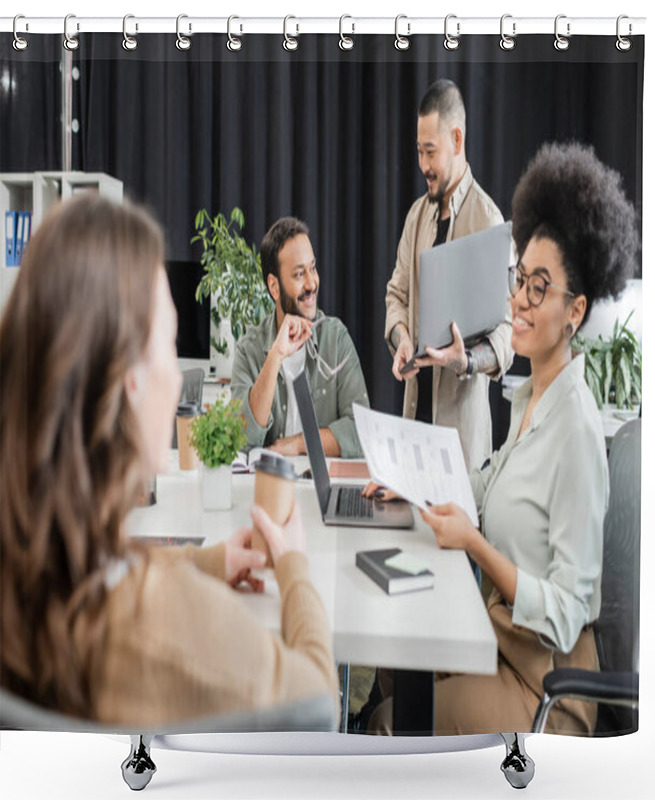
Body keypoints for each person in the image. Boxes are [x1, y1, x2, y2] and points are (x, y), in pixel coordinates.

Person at [0, 196, 339, 725]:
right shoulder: (175, 627)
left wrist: (202, 562)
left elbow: (95, 564)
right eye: (169, 339)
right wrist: (294, 567)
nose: (177, 373)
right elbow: (318, 704)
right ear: (131, 380)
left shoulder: (29, 565)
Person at [368, 142, 639, 735]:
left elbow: (567, 614)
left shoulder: (576, 430)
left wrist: (475, 546)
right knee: (393, 661)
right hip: (495, 645)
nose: (517, 300)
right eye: (519, 280)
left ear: (576, 311)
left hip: (544, 687)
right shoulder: (528, 398)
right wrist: (406, 485)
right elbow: (480, 486)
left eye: (539, 288)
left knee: (392, 721)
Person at [384, 78, 514, 472]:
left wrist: (467, 361)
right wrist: (401, 336)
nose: (423, 165)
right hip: (413, 431)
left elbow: (508, 332)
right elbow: (396, 296)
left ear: (457, 141)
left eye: (431, 152)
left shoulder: (489, 221)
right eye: (419, 151)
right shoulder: (416, 216)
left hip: (460, 449)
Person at [232, 216, 369, 458]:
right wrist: (275, 356)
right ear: (274, 287)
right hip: (268, 488)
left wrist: (297, 444)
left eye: (313, 268)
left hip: (321, 488)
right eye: (298, 275)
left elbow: (362, 432)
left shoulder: (336, 339)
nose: (312, 283)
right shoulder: (249, 348)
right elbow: (243, 438)